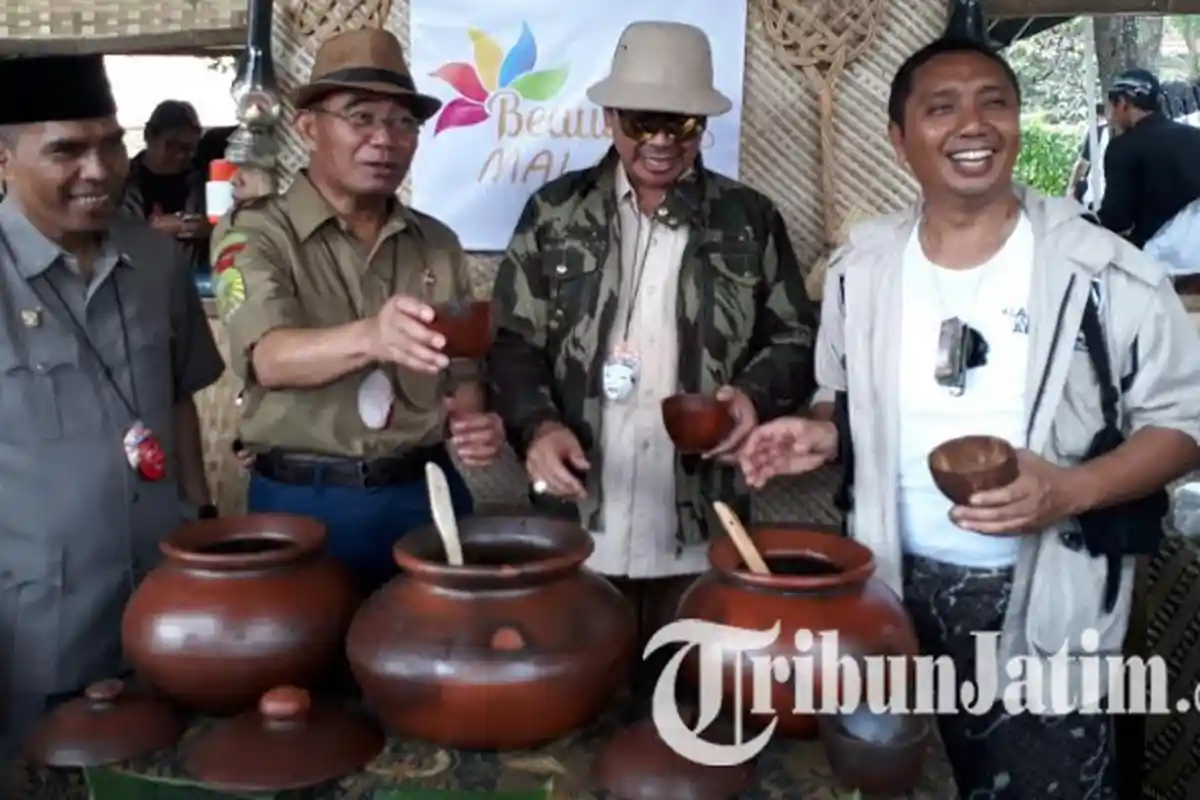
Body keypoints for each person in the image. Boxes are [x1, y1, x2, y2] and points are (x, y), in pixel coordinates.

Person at [739, 38, 1200, 799]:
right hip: (889, 591)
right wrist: (822, 431)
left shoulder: (1102, 271)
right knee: (903, 783)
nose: (973, 124)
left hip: (1051, 599)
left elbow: (1184, 422)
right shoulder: (864, 270)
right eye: (941, 107)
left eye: (994, 102)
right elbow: (843, 397)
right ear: (899, 139)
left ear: (1017, 123)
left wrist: (1073, 490)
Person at [488, 20, 818, 677]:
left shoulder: (749, 219)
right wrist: (537, 426)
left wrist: (752, 399)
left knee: (692, 715)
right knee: (579, 709)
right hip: (577, 525)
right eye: (643, 121)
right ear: (610, 117)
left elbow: (795, 337)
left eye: (683, 124)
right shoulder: (553, 213)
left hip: (702, 531)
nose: (662, 141)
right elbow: (511, 341)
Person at [217, 28, 505, 596]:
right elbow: (269, 358)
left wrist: (473, 423)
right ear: (308, 127)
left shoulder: (436, 242)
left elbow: (462, 375)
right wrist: (375, 336)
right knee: (301, 669)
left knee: (434, 665)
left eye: (403, 123)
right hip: (303, 499)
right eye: (361, 117)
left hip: (425, 492)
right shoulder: (252, 232)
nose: (385, 140)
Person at [0, 55, 224, 757]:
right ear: (3, 160)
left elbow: (181, 397)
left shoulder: (156, 265)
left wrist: (202, 518)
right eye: (66, 150)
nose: (98, 169)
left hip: (167, 611)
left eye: (110, 143)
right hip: (36, 629)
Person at [1098, 68, 1200, 249]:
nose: (1111, 115)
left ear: (1122, 103)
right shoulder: (1195, 136)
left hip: (1153, 261)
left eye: (1111, 106)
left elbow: (1117, 219)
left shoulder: (1123, 147)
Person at [121, 101, 210, 273]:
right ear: (148, 136)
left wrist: (209, 228)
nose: (179, 155)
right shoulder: (120, 182)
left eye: (188, 148)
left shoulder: (205, 184)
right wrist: (150, 229)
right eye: (171, 145)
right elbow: (102, 235)